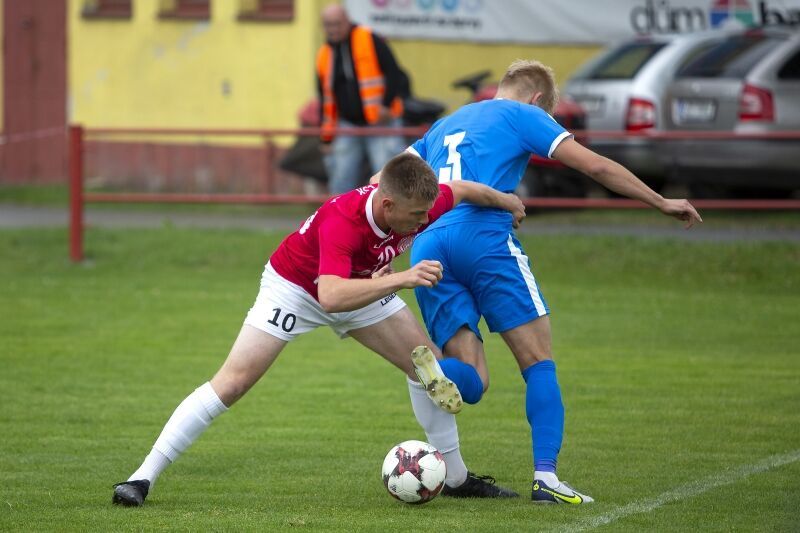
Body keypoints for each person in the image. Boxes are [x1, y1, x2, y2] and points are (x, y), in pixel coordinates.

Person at [111, 153, 525, 507]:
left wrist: (508, 201)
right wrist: (402, 279)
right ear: (386, 205)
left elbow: (466, 189)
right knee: (233, 382)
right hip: (295, 288)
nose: (422, 222)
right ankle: (141, 478)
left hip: (359, 285)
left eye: (426, 213)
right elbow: (330, 296)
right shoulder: (343, 220)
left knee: (427, 370)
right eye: (416, 216)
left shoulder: (419, 202)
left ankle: (455, 480)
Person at [397, 59, 703, 504]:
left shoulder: (446, 123)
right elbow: (595, 167)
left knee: (474, 382)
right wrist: (659, 200)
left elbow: (381, 180)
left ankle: (434, 372)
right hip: (483, 239)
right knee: (538, 361)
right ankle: (547, 478)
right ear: (539, 100)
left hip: (429, 243)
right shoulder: (525, 115)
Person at [316, 5, 407, 194]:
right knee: (340, 181)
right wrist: (325, 138)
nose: (333, 29)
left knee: (388, 179)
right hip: (347, 125)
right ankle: (342, 222)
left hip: (381, 123)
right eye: (328, 25)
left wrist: (385, 105)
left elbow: (394, 73)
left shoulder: (368, 38)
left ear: (347, 20)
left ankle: (391, 222)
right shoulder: (324, 55)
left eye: (337, 24)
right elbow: (324, 100)